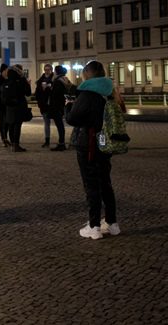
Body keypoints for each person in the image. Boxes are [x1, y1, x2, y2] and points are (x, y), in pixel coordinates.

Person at [65, 60, 121, 240]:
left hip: (88, 143)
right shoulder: (110, 91)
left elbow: (73, 118)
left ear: (87, 74)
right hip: (106, 142)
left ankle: (94, 226)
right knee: (105, 182)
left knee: (91, 184)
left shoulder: (88, 93)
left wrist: (68, 106)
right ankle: (112, 224)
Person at [1, 64, 31, 152]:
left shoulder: (7, 81)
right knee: (17, 125)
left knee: (11, 124)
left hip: (9, 106)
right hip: (19, 105)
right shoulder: (21, 80)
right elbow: (28, 93)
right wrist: (28, 84)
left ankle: (12, 143)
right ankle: (16, 145)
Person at [48, 65, 72, 151]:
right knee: (60, 125)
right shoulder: (64, 80)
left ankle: (61, 143)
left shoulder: (58, 82)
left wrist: (50, 89)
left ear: (56, 72)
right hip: (61, 105)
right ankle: (61, 143)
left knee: (60, 125)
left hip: (56, 106)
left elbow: (55, 95)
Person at [35, 64, 55, 148]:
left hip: (53, 105)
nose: (47, 71)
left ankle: (61, 141)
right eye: (45, 69)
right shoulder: (40, 80)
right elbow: (37, 93)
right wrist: (42, 89)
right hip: (44, 105)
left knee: (58, 123)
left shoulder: (54, 79)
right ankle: (47, 140)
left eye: (48, 69)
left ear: (51, 70)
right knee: (46, 123)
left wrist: (50, 88)